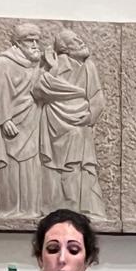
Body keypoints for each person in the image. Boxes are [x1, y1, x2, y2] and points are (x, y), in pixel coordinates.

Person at [0, 22, 53, 217]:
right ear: (17, 43)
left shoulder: (35, 64)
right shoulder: (4, 62)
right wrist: (4, 119)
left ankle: (30, 209)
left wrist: (50, 67)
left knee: (31, 166)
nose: (34, 45)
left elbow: (40, 88)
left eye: (36, 40)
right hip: (11, 123)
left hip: (32, 121)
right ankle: (9, 209)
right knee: (11, 167)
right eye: (29, 40)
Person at [39, 27, 106, 216]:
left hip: (80, 122)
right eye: (75, 41)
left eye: (80, 38)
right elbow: (40, 89)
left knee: (77, 166)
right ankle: (56, 209)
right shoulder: (57, 64)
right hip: (56, 123)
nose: (81, 42)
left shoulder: (88, 66)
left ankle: (79, 207)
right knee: (55, 169)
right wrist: (51, 69)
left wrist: (91, 114)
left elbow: (97, 95)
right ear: (66, 49)